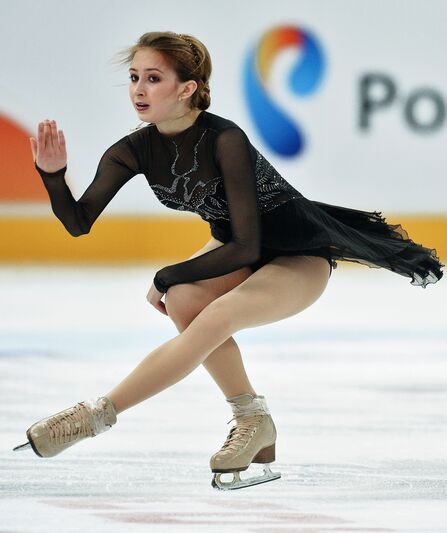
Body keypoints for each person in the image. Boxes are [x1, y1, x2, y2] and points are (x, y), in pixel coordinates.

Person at [14, 31, 444, 490]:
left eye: (153, 78)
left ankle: (97, 415)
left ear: (187, 88)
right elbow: (79, 221)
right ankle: (252, 418)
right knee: (181, 300)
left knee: (213, 312)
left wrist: (165, 274)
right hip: (236, 245)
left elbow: (247, 246)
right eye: (135, 77)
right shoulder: (133, 150)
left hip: (296, 252)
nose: (139, 89)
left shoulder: (224, 139)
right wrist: (52, 176)